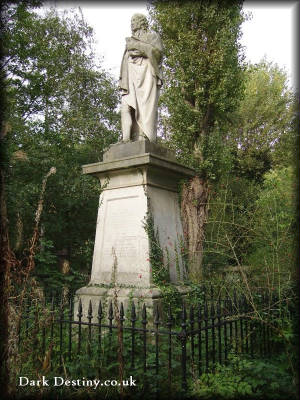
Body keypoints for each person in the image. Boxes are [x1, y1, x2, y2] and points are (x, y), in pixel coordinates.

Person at [119, 13, 163, 142]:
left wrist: (140, 48)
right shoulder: (130, 40)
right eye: (131, 21)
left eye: (135, 20)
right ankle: (126, 138)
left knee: (145, 104)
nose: (132, 23)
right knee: (126, 105)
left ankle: (144, 135)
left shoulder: (152, 36)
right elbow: (125, 59)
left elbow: (158, 54)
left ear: (142, 22)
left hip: (146, 72)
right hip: (131, 74)